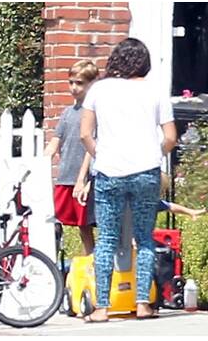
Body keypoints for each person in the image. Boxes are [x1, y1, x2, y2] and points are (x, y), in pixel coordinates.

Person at [80, 38, 177, 323]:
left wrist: (101, 155)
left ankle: (102, 307)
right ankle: (143, 304)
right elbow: (170, 137)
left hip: (109, 171)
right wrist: (154, 153)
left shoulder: (99, 90)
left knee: (107, 239)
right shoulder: (155, 91)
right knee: (144, 238)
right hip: (146, 171)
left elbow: (85, 134)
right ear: (145, 63)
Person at [44, 60, 99, 256]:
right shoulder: (67, 113)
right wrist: (40, 161)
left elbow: (91, 147)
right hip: (65, 176)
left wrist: (82, 179)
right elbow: (55, 142)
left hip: (84, 178)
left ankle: (93, 261)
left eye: (80, 83)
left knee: (88, 225)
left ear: (92, 84)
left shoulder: (93, 113)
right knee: (66, 223)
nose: (74, 87)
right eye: (71, 82)